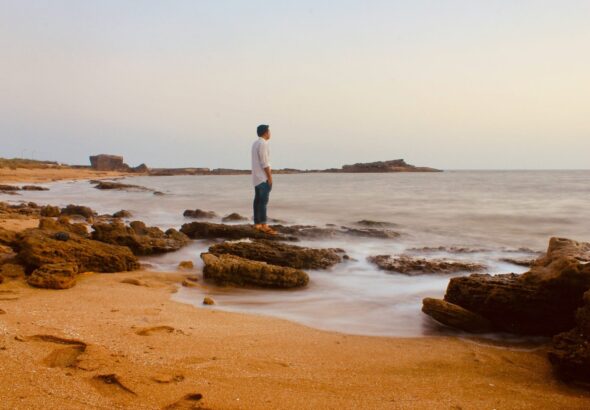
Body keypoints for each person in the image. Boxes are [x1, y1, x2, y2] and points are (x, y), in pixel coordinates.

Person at [251, 124, 277, 234]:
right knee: (263, 202)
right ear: (266, 132)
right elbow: (265, 163)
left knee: (257, 201)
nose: (270, 133)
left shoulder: (255, 143)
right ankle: (263, 225)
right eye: (269, 131)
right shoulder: (263, 143)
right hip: (262, 177)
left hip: (256, 177)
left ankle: (257, 224)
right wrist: (270, 177)